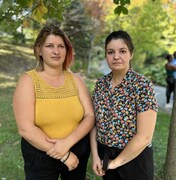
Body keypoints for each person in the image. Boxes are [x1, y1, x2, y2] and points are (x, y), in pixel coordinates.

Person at [13, 24, 94, 180]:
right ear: (39, 50)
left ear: (67, 50)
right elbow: (25, 128)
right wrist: (63, 154)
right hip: (40, 154)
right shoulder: (28, 81)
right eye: (50, 46)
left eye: (61, 46)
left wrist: (68, 143)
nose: (56, 51)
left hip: (77, 150)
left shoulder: (76, 80)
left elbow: (90, 115)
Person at [90, 30, 158, 180]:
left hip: (135, 159)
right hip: (105, 156)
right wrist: (95, 155)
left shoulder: (142, 86)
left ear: (131, 54)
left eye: (122, 51)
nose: (116, 56)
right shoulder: (101, 85)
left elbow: (145, 136)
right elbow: (94, 123)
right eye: (110, 52)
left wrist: (115, 163)